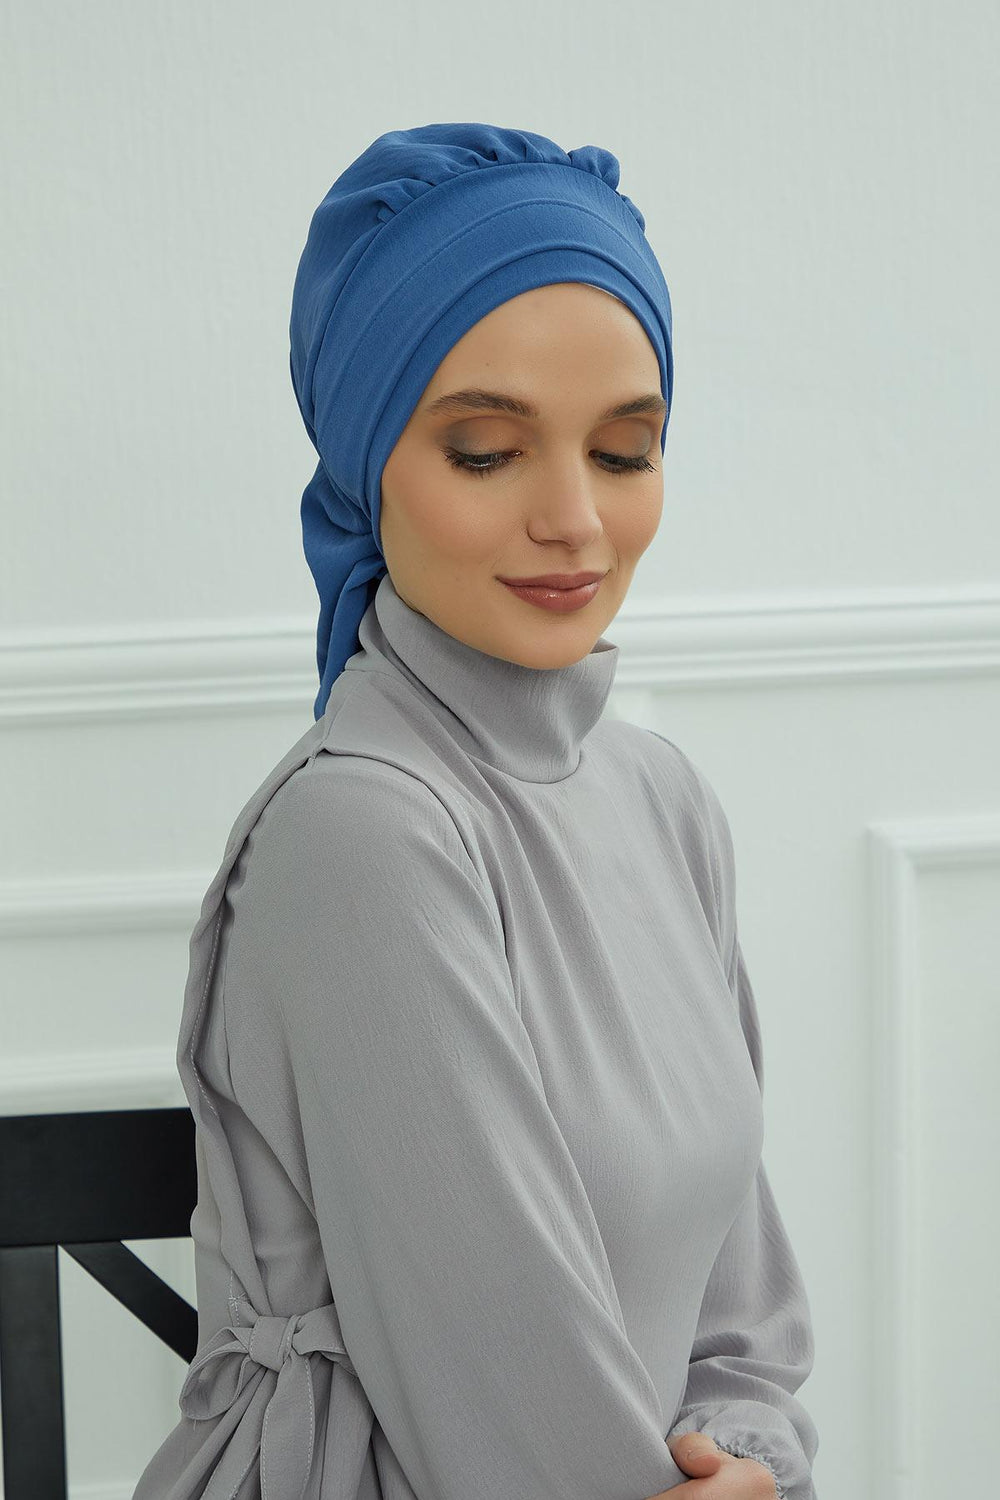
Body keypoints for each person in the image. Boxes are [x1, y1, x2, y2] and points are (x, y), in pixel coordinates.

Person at [131, 122, 820, 1500]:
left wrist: (749, 1457)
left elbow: (739, 1307)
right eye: (489, 453)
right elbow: (505, 1406)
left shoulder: (663, 800)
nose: (575, 520)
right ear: (365, 467)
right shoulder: (360, 835)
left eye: (623, 452)